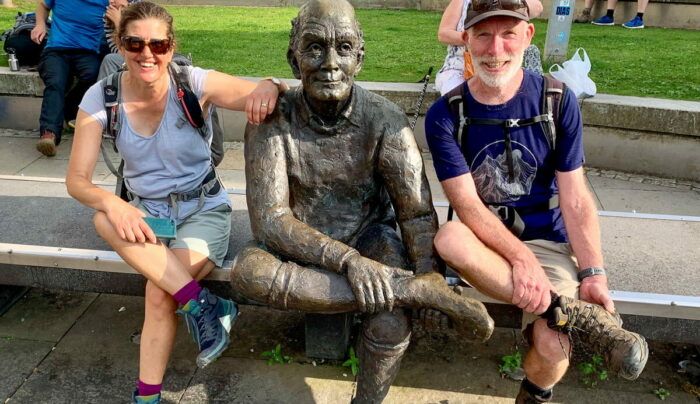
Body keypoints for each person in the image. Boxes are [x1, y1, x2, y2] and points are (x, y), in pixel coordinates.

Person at [230, 1, 494, 403]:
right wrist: (352, 265)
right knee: (248, 272)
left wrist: (429, 270)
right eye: (314, 47)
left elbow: (417, 214)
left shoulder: (385, 120)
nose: (330, 63)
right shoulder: (271, 119)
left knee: (390, 324)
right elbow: (271, 222)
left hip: (371, 239)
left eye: (344, 48)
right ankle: (410, 290)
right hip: (301, 246)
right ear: (292, 56)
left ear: (360, 58)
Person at [424, 0, 649, 402]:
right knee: (449, 238)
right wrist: (519, 259)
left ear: (527, 36)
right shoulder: (445, 114)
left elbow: (575, 196)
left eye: (508, 34)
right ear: (465, 41)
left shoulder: (558, 100)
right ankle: (571, 313)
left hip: (548, 239)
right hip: (485, 242)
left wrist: (594, 272)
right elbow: (468, 206)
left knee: (553, 347)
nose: (496, 50)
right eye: (483, 35)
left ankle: (535, 385)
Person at [65, 3, 285, 403]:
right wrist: (116, 205)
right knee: (103, 218)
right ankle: (206, 306)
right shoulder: (102, 96)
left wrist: (270, 83)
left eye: (158, 44)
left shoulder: (191, 83)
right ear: (120, 44)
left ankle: (147, 396)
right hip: (147, 214)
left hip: (202, 210)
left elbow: (260, 90)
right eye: (135, 43)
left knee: (159, 291)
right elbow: (77, 182)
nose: (147, 54)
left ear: (171, 46)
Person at [31, 0, 108, 157]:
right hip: (56, 49)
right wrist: (40, 24)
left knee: (92, 77)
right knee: (55, 82)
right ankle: (49, 134)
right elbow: (43, 6)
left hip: (88, 52)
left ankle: (67, 109)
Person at [435, 0, 543, 95]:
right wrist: (477, 39)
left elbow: (537, 7)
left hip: (505, 65)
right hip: (460, 66)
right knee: (458, 97)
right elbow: (443, 34)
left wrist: (509, 5)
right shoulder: (461, 2)